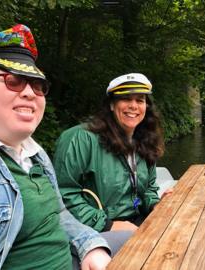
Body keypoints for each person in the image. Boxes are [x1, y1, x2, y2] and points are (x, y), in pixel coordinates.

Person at [0, 24, 112, 269]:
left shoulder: (34, 152)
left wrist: (91, 246)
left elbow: (59, 215)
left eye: (37, 85)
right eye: (14, 81)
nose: (30, 93)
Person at [54, 72, 168, 233]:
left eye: (140, 100)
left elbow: (149, 189)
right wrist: (108, 225)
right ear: (111, 105)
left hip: (136, 220)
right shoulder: (80, 138)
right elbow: (63, 194)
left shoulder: (145, 140)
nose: (134, 106)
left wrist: (155, 204)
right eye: (126, 99)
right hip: (95, 229)